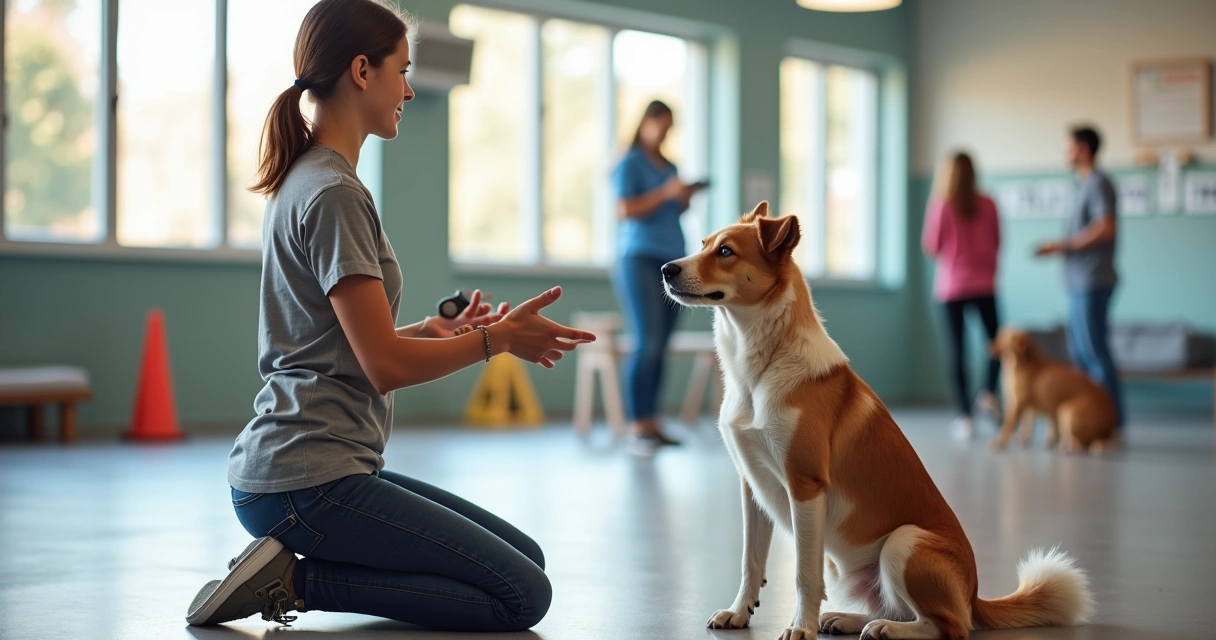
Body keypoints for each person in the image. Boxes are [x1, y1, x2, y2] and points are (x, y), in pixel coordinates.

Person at [185, 0, 596, 631]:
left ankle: (296, 569)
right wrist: (496, 339)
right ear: (361, 71)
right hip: (305, 483)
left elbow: (334, 343)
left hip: (305, 472)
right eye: (400, 71)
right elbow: (384, 367)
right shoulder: (333, 192)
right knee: (523, 596)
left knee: (525, 560)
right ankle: (295, 581)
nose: (407, 88)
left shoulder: (311, 179)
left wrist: (427, 333)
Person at [610, 100, 708, 455]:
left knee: (662, 346)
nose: (664, 134)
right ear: (646, 123)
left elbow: (674, 209)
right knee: (646, 342)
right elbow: (624, 210)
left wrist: (682, 197)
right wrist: (666, 192)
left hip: (672, 259)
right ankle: (637, 426)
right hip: (638, 259)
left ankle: (653, 423)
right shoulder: (629, 163)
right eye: (661, 127)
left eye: (670, 129)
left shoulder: (671, 166)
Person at [1035, 125, 1124, 431]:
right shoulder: (1083, 185)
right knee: (1082, 355)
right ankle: (1096, 418)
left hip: (1092, 281)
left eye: (1069, 146)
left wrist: (1066, 245)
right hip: (1079, 282)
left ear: (1083, 149)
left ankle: (1110, 422)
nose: (1065, 152)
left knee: (1095, 354)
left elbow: (1106, 227)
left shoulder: (1098, 183)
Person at [922, 151, 1002, 440]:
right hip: (985, 284)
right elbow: (998, 242)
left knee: (958, 350)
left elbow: (931, 247)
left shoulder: (941, 205)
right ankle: (988, 393)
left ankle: (965, 417)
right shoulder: (989, 203)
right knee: (996, 344)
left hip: (951, 287)